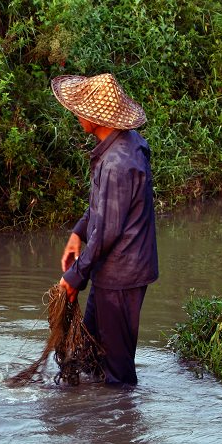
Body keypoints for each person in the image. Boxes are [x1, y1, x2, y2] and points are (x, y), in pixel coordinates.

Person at [51, 73, 158, 385]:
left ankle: (122, 429)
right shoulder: (124, 144)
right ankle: (99, 420)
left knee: (118, 374)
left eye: (80, 109)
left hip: (121, 275)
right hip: (111, 272)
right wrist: (77, 232)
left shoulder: (118, 162)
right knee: (92, 356)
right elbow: (105, 208)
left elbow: (108, 232)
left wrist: (74, 277)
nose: (76, 114)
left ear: (97, 118)